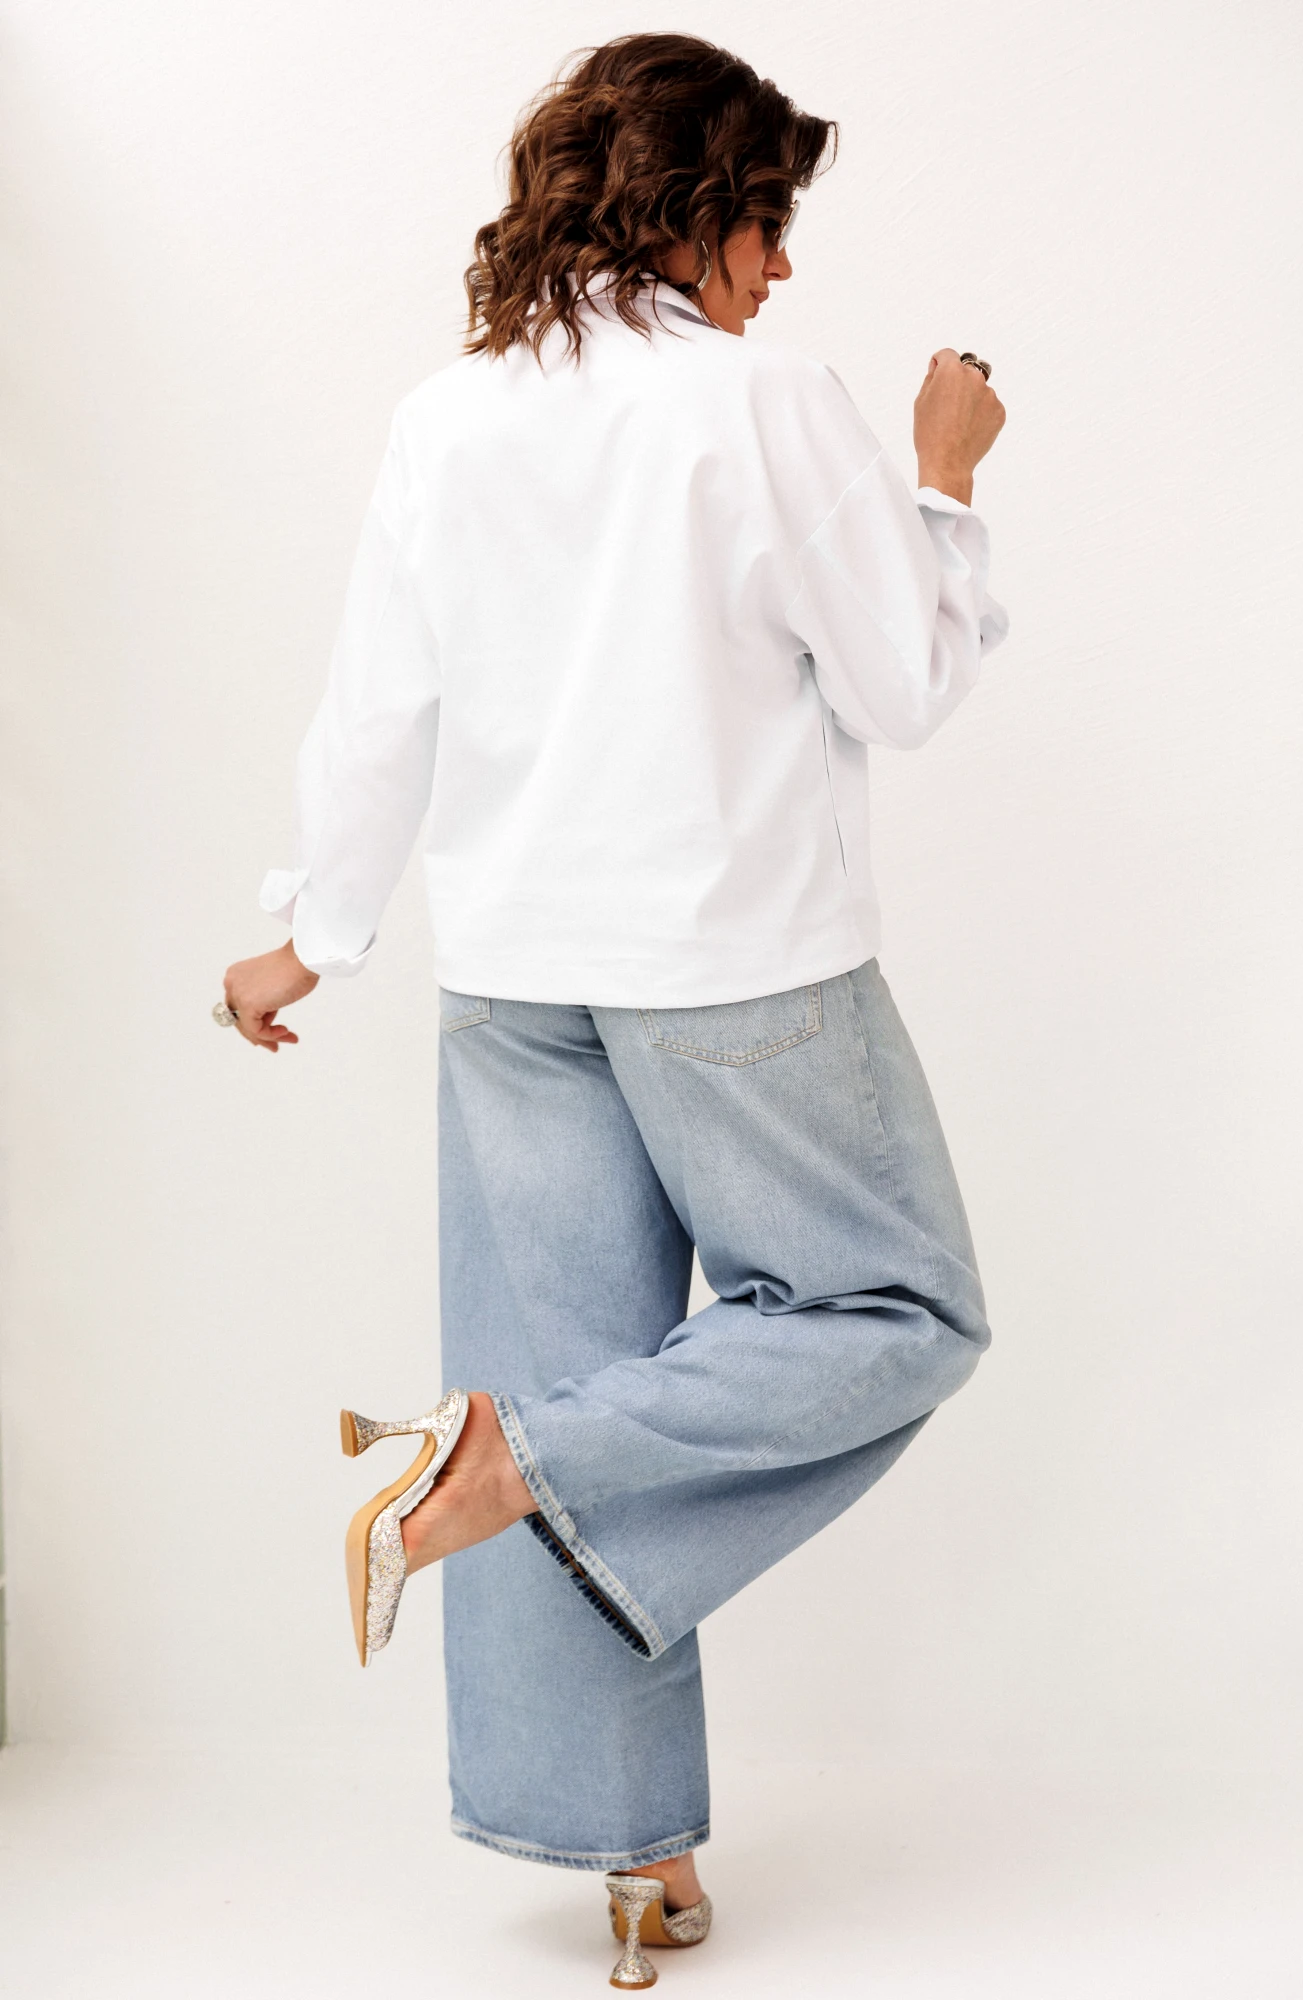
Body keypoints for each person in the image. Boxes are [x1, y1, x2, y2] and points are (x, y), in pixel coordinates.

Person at [218, 32, 1007, 1991]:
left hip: (513, 979)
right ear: (688, 205)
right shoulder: (769, 403)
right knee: (898, 1311)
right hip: (734, 971)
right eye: (768, 220)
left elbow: (380, 705)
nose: (784, 267)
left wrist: (313, 932)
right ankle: (510, 1468)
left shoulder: (450, 416)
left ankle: (630, 1860)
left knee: (552, 1367)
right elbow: (903, 685)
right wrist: (943, 480)